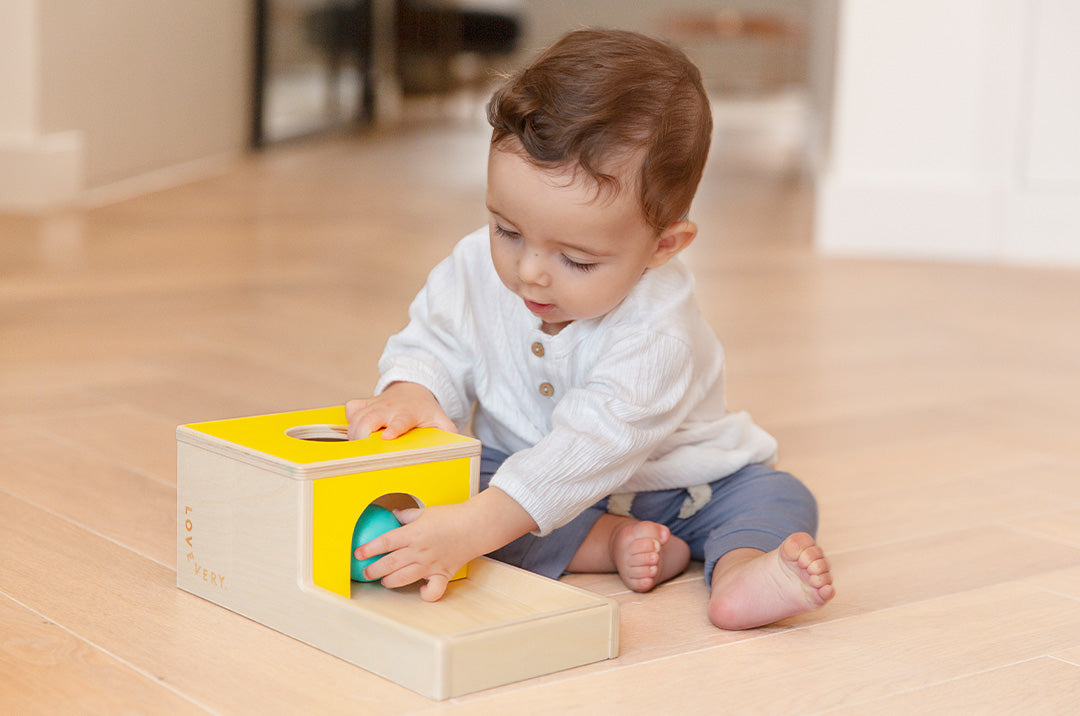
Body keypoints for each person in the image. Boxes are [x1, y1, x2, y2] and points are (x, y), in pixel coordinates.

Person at [346, 28, 834, 629]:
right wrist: (413, 390)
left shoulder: (659, 331)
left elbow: (590, 447)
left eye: (575, 260)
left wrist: (473, 529)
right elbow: (435, 341)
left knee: (774, 495)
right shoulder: (473, 266)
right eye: (507, 229)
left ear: (663, 246)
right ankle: (600, 542)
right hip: (519, 474)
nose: (529, 272)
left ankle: (742, 569)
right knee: (462, 494)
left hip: (682, 489)